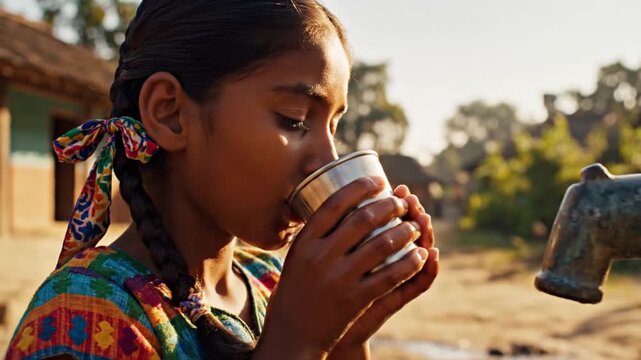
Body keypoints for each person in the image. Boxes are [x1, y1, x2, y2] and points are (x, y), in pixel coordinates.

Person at [6, 1, 439, 359]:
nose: (327, 159)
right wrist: (297, 342)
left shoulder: (272, 282)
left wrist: (346, 337)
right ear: (170, 113)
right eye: (294, 120)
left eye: (333, 127)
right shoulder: (83, 318)